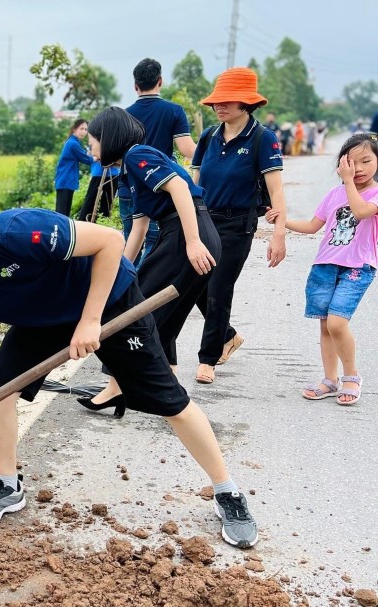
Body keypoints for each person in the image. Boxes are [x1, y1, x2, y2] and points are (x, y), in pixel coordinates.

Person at [0, 205, 259, 548]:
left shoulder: (19, 232)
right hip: (42, 318)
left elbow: (110, 241)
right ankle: (7, 484)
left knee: (171, 402)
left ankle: (227, 492)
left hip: (108, 301)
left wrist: (91, 320)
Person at [80, 107, 221, 411]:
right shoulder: (128, 171)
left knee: (137, 310)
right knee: (159, 313)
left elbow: (180, 188)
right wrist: (120, 271)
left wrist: (193, 242)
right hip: (181, 233)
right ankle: (167, 384)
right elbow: (139, 229)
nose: (90, 150)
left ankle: (116, 387)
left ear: (109, 137)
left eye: (93, 142)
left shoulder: (136, 154)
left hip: (186, 233)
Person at [189, 67, 288, 384]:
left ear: (247, 104)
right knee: (194, 284)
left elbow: (276, 191)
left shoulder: (262, 139)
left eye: (228, 101)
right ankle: (228, 336)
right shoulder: (208, 137)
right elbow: (194, 181)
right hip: (205, 219)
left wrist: (279, 234)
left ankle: (208, 359)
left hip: (237, 224)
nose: (220, 106)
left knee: (219, 288)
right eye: (217, 101)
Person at [266, 133, 378, 406]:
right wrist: (282, 220)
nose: (359, 168)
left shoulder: (375, 194)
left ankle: (351, 376)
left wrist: (349, 181)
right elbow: (313, 226)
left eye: (366, 161)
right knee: (326, 325)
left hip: (358, 266)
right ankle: (330, 379)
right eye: (352, 162)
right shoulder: (334, 194)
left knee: (339, 322)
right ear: (341, 163)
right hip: (325, 265)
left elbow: (362, 211)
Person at [118, 58, 198, 266]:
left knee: (131, 244)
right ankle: (144, 291)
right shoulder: (173, 111)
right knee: (154, 243)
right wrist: (212, 151)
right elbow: (187, 149)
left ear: (135, 85)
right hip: (159, 190)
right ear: (160, 81)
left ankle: (127, 290)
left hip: (130, 188)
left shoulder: (124, 116)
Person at [53, 118, 92, 216]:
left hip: (65, 180)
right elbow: (86, 159)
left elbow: (83, 155)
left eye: (86, 129)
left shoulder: (73, 142)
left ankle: (62, 230)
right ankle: (60, 230)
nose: (84, 132)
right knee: (62, 213)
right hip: (66, 180)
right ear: (74, 129)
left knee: (63, 212)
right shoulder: (73, 144)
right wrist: (95, 157)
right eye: (81, 129)